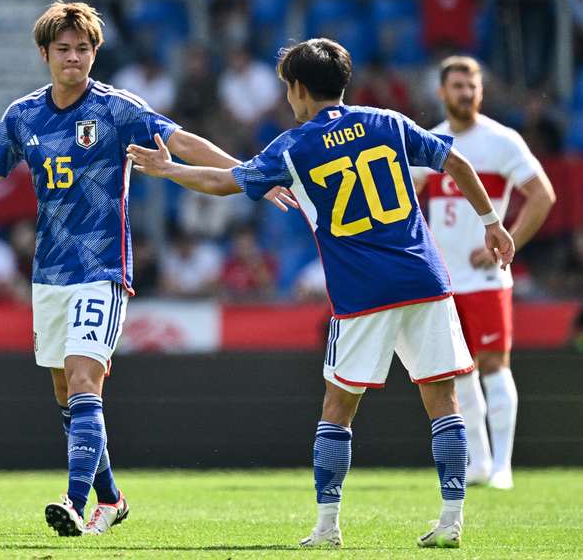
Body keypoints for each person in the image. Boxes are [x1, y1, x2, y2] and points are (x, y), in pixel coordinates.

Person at [0, 1, 294, 538]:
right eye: (63, 49)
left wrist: (249, 171)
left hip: (102, 268)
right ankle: (112, 499)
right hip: (49, 274)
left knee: (87, 380)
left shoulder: (117, 108)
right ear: (44, 54)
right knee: (67, 393)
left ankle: (73, 498)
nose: (74, 58)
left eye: (83, 49)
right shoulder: (23, 115)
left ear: (95, 53)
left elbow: (180, 141)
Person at [126, 37, 515, 549]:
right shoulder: (387, 122)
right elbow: (457, 163)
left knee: (337, 408)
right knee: (443, 400)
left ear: (299, 89)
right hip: (425, 280)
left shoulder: (295, 145)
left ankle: (328, 526)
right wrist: (493, 223)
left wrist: (170, 169)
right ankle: (451, 520)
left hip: (362, 294)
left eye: (288, 88)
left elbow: (226, 182)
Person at [413, 56, 556, 490]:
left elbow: (542, 195)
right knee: (460, 370)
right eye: (457, 86)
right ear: (441, 92)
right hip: (445, 279)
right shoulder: (429, 142)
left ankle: (503, 467)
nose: (465, 93)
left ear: (482, 91)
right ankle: (478, 461)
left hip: (487, 278)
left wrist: (506, 238)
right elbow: (404, 197)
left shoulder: (501, 141)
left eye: (472, 86)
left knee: (494, 365)